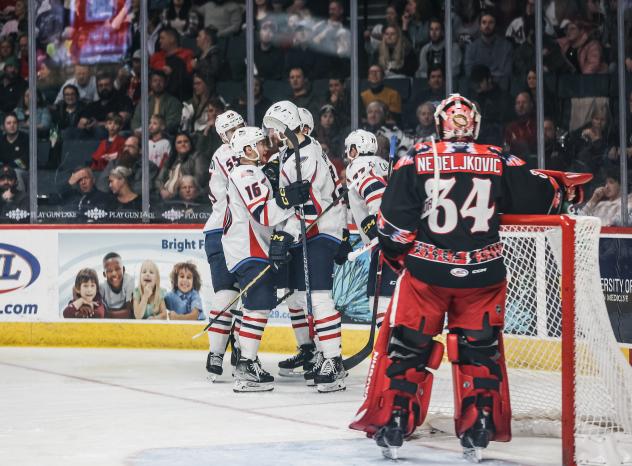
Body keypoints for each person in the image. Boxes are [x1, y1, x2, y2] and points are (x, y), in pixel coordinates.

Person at [349, 93, 587, 461]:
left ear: (439, 122)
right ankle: (479, 426)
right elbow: (543, 199)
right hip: (483, 275)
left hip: (427, 274)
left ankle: (395, 419)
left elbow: (393, 228)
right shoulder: (499, 158)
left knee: (409, 348)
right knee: (479, 352)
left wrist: (400, 258)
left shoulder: (415, 158)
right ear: (473, 124)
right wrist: (563, 188)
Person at [264, 100, 346, 393]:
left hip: (320, 230)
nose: (272, 135)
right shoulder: (294, 153)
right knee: (298, 296)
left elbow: (310, 206)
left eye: (274, 128)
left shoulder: (305, 155)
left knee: (319, 297)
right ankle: (317, 352)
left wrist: (285, 235)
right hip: (312, 231)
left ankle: (333, 360)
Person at [224, 125, 309, 391]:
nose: (265, 148)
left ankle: (246, 360)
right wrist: (287, 199)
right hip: (248, 249)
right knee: (258, 304)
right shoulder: (245, 172)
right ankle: (246, 366)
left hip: (251, 247)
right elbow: (263, 214)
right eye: (260, 144)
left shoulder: (252, 171)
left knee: (258, 304)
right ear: (247, 150)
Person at [336, 129, 395, 329]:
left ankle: (389, 350)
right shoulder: (384, 164)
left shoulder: (357, 165)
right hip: (401, 237)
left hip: (385, 239)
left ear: (355, 148)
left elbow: (373, 189)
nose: (347, 153)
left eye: (349, 148)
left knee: (377, 298)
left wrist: (375, 226)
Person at [203, 109, 245, 380]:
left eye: (239, 126)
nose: (236, 133)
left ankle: (237, 350)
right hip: (226, 230)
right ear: (222, 136)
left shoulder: (240, 149)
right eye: (230, 131)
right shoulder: (230, 153)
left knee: (242, 295)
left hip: (233, 229)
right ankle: (220, 351)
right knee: (229, 294)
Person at [464, 11, 513, 86]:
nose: (487, 26)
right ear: (480, 26)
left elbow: (506, 72)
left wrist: (484, 77)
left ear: (495, 25)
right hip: (478, 89)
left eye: (491, 22)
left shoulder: (506, 46)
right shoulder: (471, 48)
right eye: (484, 22)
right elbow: (469, 72)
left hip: (500, 88)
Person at [156, 132, 207, 200]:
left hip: (184, 198)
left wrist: (177, 193)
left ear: (190, 144)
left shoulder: (197, 157)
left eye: (186, 141)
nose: (183, 144)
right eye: (179, 142)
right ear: (175, 146)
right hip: (165, 197)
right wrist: (162, 191)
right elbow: (159, 180)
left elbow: (200, 179)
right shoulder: (171, 160)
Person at [100, 252, 134, 319]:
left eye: (117, 269)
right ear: (104, 274)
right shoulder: (102, 287)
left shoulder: (128, 281)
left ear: (123, 269)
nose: (114, 274)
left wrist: (108, 314)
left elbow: (129, 312)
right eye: (109, 271)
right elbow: (75, 289)